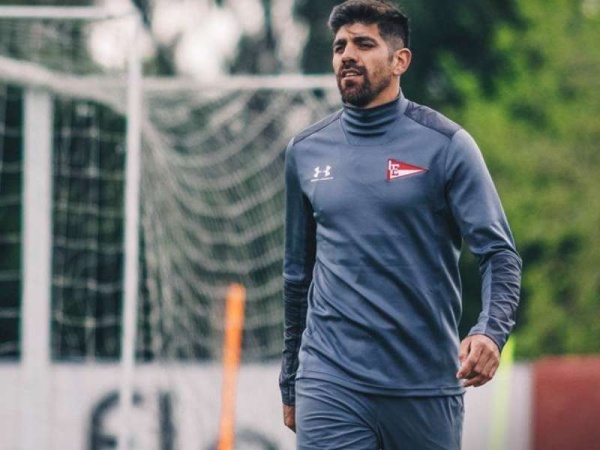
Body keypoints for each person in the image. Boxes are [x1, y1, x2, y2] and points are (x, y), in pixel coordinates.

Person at [279, 1, 522, 448]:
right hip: (330, 380)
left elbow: (499, 254)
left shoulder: (447, 145)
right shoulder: (305, 151)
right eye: (339, 46)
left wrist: (490, 332)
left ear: (400, 60)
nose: (347, 55)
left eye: (364, 44)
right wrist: (290, 380)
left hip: (424, 386)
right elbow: (298, 275)